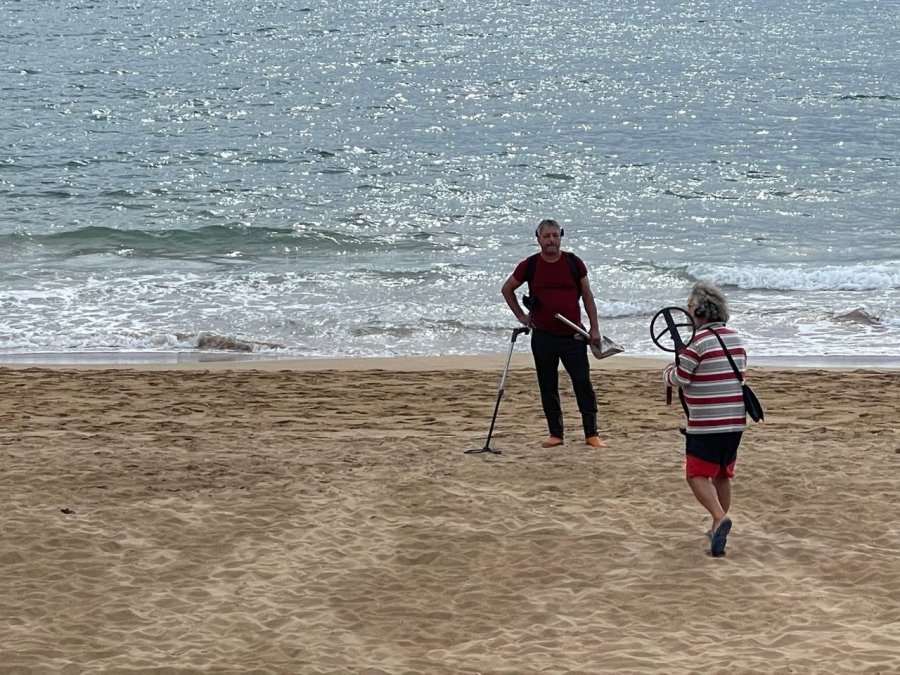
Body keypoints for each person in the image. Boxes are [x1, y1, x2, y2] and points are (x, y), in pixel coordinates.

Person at [501, 219, 605, 449]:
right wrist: (521, 316)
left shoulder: (573, 262)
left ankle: (592, 433)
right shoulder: (530, 265)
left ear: (561, 236)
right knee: (547, 385)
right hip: (543, 336)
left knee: (582, 383)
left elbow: (588, 297)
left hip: (574, 335)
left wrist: (594, 328)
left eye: (555, 236)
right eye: (546, 236)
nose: (551, 240)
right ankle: (556, 434)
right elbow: (507, 289)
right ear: (537, 238)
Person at [663, 281, 748, 557]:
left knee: (696, 474)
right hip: (735, 421)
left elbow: (680, 378)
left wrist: (667, 372)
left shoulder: (697, 343)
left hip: (706, 423)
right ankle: (717, 523)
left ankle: (719, 517)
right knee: (722, 474)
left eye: (689, 307)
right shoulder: (735, 338)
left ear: (699, 311)